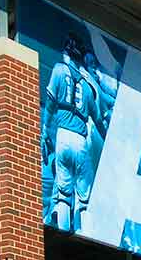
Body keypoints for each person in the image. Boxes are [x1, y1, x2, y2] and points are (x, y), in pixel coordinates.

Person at [42, 35, 99, 230]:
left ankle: (64, 234)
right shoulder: (88, 85)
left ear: (66, 52)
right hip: (81, 141)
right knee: (83, 199)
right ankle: (86, 237)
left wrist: (44, 131)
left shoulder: (58, 70)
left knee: (64, 195)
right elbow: (97, 117)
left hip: (63, 137)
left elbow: (49, 105)